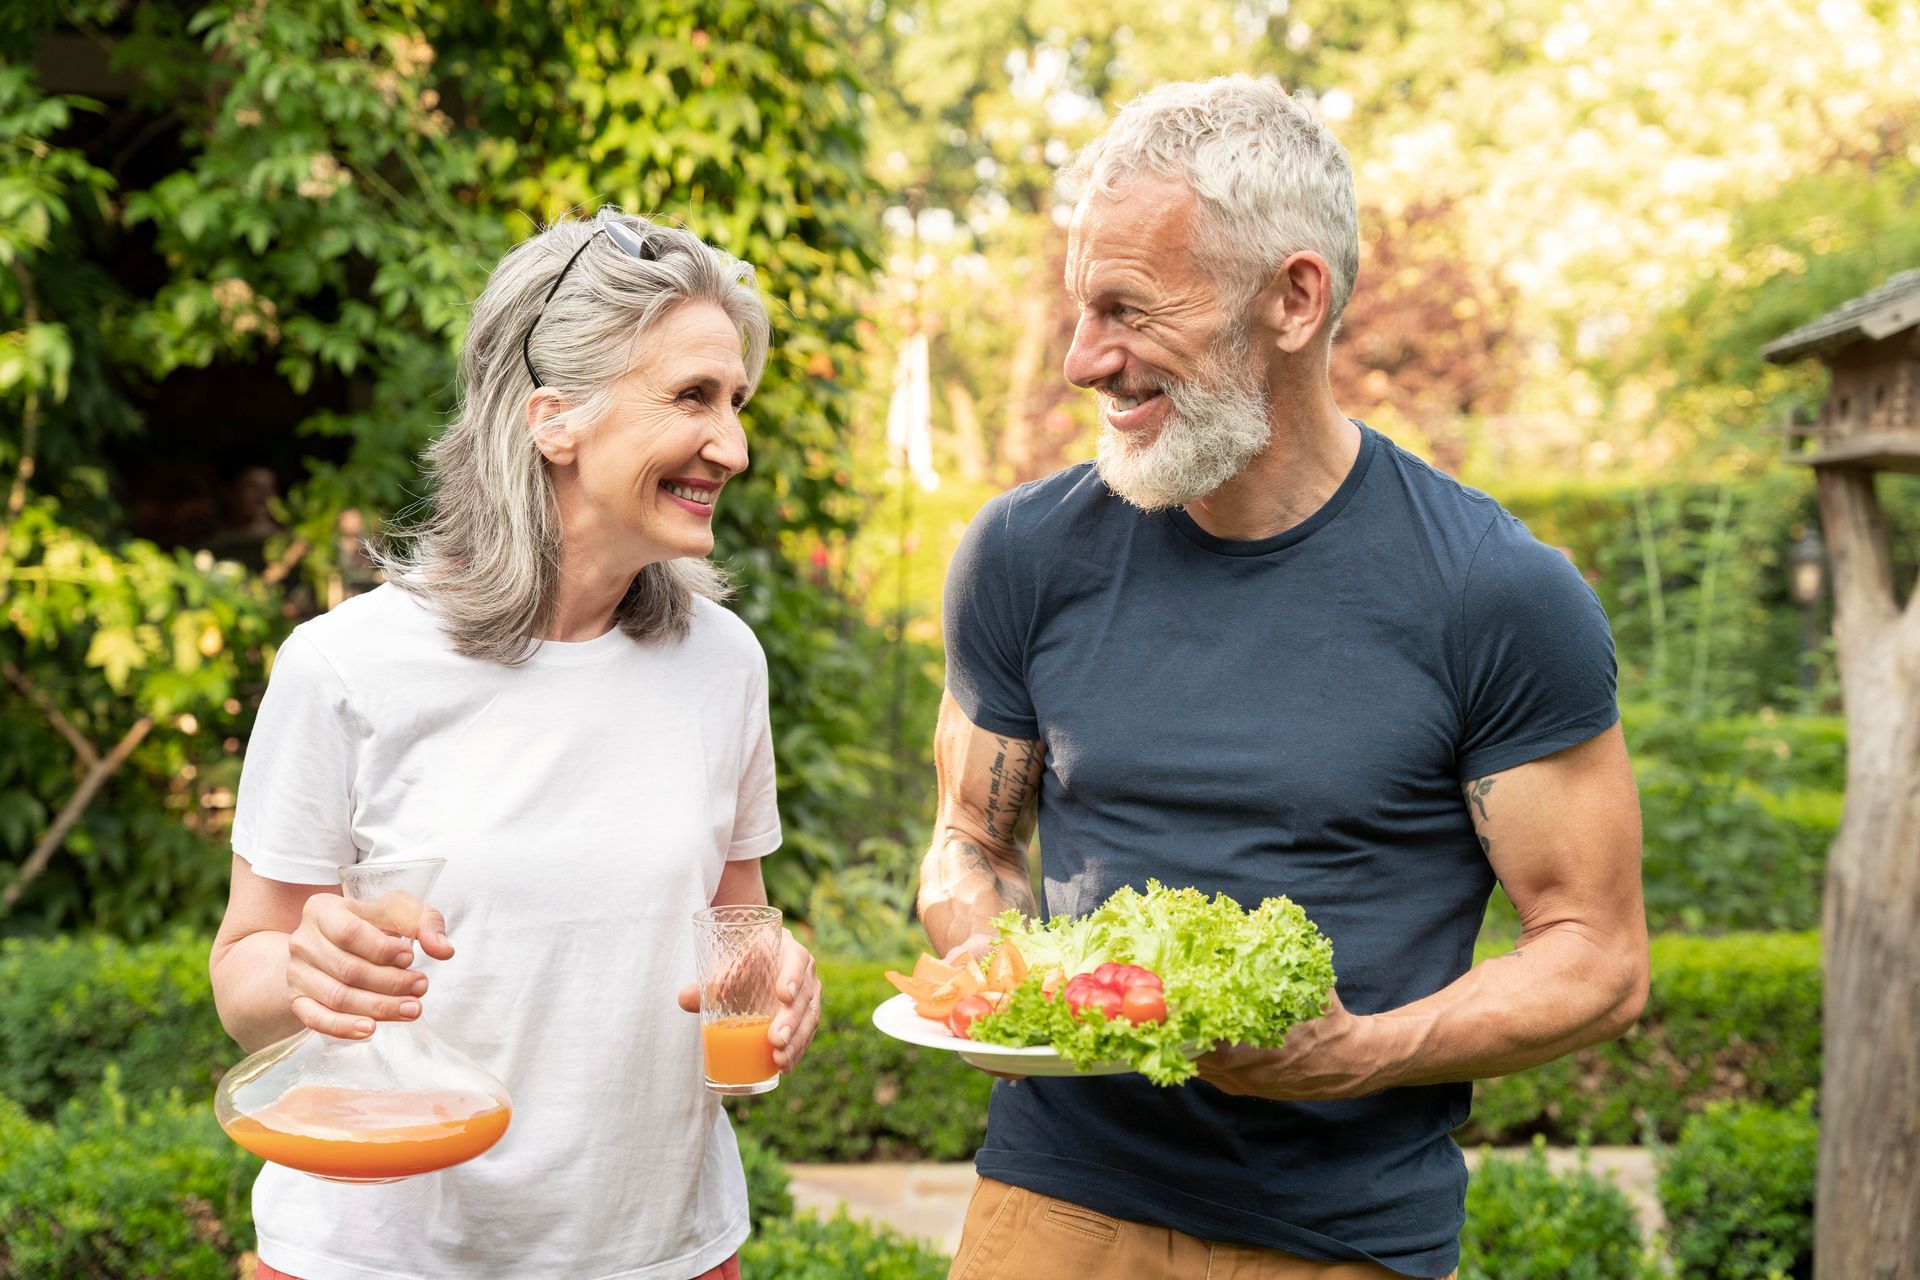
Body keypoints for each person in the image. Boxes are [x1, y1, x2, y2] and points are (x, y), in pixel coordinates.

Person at [919, 77, 1647, 1280]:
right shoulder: (1024, 554)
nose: (1080, 359)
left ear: (1294, 298)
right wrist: (991, 960)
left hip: (1344, 1235)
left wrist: (1359, 1050)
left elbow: (1597, 953)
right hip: (1056, 1205)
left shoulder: (1493, 592)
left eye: (1127, 310)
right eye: (1078, 309)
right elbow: (970, 841)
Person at [209, 210, 820, 1280]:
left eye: (735, 401)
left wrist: (774, 973)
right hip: (375, 1251)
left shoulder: (724, 663)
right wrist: (308, 967)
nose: (734, 443)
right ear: (554, 420)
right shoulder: (343, 666)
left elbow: (735, 928)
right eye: (692, 396)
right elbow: (243, 974)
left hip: (657, 1248)